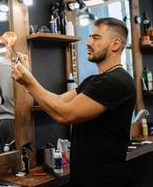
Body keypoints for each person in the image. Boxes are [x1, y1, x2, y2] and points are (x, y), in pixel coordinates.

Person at [12, 18, 136, 187]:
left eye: (96, 37)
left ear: (115, 44)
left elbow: (64, 114)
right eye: (90, 36)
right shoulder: (94, 80)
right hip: (85, 178)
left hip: (105, 180)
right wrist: (28, 74)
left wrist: (29, 82)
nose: (89, 42)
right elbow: (56, 101)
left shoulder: (116, 81)